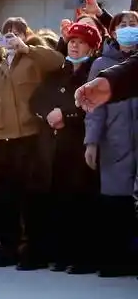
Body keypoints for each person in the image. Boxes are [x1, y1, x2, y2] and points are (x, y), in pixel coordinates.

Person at [0, 17, 64, 269]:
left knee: (32, 195)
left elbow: (57, 61)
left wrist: (27, 48)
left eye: (16, 31)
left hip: (29, 134)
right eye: (6, 31)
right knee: (4, 197)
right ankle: (7, 247)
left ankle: (34, 250)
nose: (10, 36)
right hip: (1, 135)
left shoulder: (33, 56)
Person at [31, 19, 102, 273]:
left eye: (81, 42)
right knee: (60, 199)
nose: (75, 46)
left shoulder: (94, 72)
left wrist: (66, 114)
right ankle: (62, 253)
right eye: (72, 41)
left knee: (82, 200)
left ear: (91, 47)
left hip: (81, 142)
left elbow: (94, 103)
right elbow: (36, 100)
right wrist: (49, 112)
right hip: (56, 146)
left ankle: (83, 257)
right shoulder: (58, 73)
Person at [83, 11, 138, 276]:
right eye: (122, 25)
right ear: (112, 31)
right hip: (115, 142)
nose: (128, 29)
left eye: (133, 24)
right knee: (117, 204)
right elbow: (94, 110)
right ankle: (116, 260)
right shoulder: (101, 64)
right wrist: (91, 142)